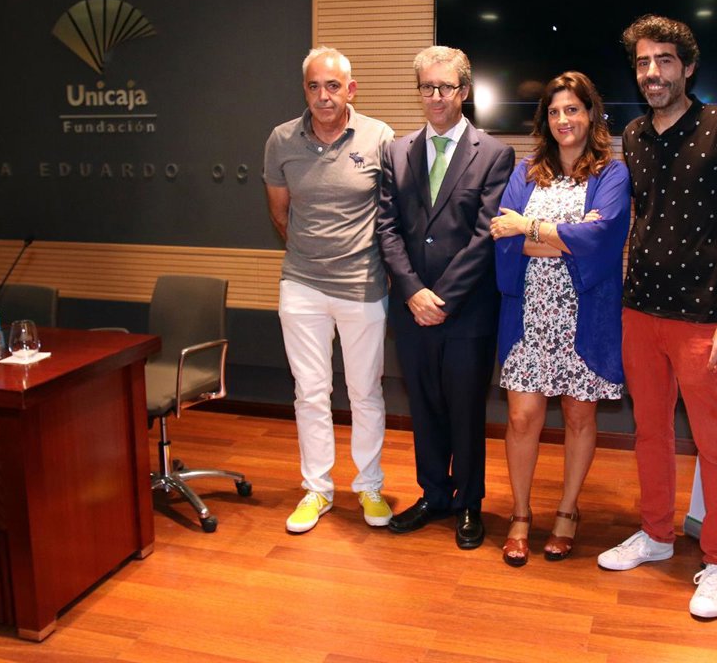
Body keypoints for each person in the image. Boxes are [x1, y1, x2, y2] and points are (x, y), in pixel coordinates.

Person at [596, 16, 717, 619]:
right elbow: (641, 218)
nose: (653, 72)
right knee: (651, 433)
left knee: (716, 445)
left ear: (687, 67)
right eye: (643, 62)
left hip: (702, 316)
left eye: (664, 60)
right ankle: (657, 534)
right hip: (640, 311)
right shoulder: (634, 134)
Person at [489, 71, 630, 567]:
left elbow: (602, 240)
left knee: (578, 417)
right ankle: (521, 515)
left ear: (591, 113)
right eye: (553, 111)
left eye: (572, 109)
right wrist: (567, 237)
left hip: (584, 318)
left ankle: (568, 513)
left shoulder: (611, 175)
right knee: (521, 418)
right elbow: (503, 238)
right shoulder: (525, 172)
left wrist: (529, 227)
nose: (563, 119)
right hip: (529, 316)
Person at [377, 45, 514, 549]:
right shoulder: (396, 151)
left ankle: (469, 502)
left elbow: (485, 235)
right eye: (427, 87)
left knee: (465, 410)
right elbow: (387, 228)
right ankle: (434, 494)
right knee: (424, 407)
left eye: (446, 87)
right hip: (411, 309)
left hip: (467, 311)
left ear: (464, 90)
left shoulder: (494, 154)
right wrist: (413, 292)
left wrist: (442, 298)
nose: (436, 96)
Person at [263, 46, 395, 533]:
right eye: (315, 86)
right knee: (311, 392)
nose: (323, 96)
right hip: (301, 285)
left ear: (350, 90)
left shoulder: (380, 137)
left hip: (363, 286)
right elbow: (280, 214)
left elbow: (392, 214)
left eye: (333, 86)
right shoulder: (281, 140)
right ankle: (316, 489)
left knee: (365, 392)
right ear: (305, 90)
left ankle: (369, 486)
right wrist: (313, 255)